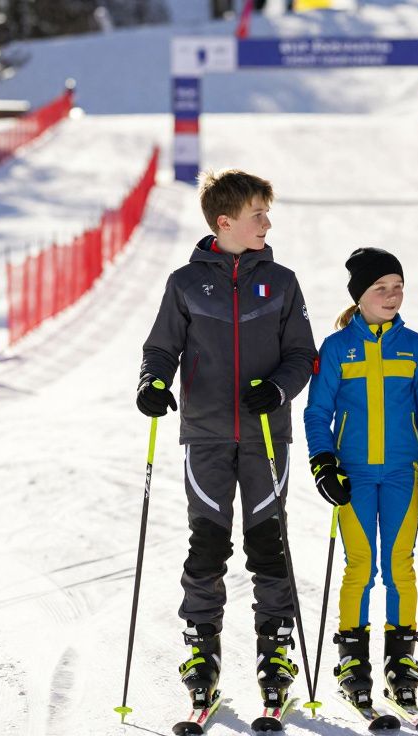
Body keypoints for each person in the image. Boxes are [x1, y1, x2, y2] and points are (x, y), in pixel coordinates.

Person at [136, 168, 318, 710]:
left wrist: (280, 391)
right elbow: (160, 348)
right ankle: (201, 651)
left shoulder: (282, 281)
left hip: (266, 436)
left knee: (268, 545)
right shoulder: (186, 283)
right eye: (258, 213)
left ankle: (276, 650)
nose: (267, 221)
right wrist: (152, 383)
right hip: (207, 434)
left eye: (267, 212)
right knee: (208, 545)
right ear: (225, 222)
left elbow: (301, 355)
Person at [302, 247, 418, 708]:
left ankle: (402, 660)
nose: (391, 295)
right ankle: (352, 659)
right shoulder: (338, 347)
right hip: (354, 475)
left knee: (401, 565)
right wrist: (323, 461)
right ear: (359, 295)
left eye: (398, 286)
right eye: (380, 287)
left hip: (403, 473)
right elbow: (318, 410)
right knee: (359, 564)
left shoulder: (416, 347)